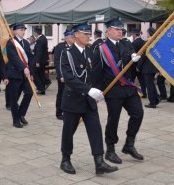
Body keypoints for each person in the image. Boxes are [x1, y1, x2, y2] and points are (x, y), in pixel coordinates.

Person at [60, 23, 118, 175]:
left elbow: (96, 74)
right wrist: (89, 89)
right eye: (85, 34)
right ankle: (65, 159)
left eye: (89, 34)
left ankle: (99, 162)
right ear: (76, 35)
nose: (89, 36)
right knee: (68, 131)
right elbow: (69, 78)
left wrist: (99, 89)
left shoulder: (90, 52)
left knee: (95, 130)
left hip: (89, 101)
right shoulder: (67, 53)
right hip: (73, 100)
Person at [92, 18, 144, 164]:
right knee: (113, 119)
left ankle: (129, 144)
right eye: (116, 29)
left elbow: (133, 62)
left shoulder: (126, 44)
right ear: (108, 31)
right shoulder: (101, 48)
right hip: (113, 90)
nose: (120, 31)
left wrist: (135, 59)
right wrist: (97, 90)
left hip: (128, 88)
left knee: (138, 113)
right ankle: (110, 150)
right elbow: (97, 71)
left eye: (121, 29)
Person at [6, 23, 34, 128]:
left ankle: (21, 114)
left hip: (26, 74)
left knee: (29, 93)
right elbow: (14, 58)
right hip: (15, 74)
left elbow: (30, 58)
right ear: (15, 31)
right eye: (21, 29)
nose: (23, 31)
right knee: (14, 98)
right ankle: (16, 120)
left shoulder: (26, 43)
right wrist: (23, 68)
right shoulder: (11, 43)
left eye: (24, 29)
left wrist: (30, 71)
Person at [54, 29, 75, 120]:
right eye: (71, 37)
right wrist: (61, 75)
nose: (73, 39)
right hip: (63, 75)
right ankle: (59, 112)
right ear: (66, 39)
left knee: (72, 94)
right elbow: (58, 62)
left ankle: (70, 111)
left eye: (73, 37)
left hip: (73, 75)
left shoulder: (75, 46)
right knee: (62, 94)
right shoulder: (60, 47)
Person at [137, 27, 160, 108]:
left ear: (150, 33)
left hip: (147, 68)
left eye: (147, 33)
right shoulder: (156, 42)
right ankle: (156, 98)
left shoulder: (148, 42)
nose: (146, 34)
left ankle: (152, 102)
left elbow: (143, 56)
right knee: (152, 84)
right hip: (153, 67)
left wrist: (138, 66)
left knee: (149, 85)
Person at [130, 29, 147, 98]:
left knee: (130, 79)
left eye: (132, 35)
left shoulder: (134, 43)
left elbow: (132, 55)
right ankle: (144, 93)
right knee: (142, 80)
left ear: (134, 35)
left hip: (135, 65)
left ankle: (130, 93)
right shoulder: (144, 42)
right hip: (142, 64)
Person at [33, 27, 49, 94]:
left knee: (35, 74)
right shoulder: (43, 38)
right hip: (43, 60)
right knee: (41, 75)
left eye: (34, 32)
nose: (33, 33)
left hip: (40, 61)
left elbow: (39, 51)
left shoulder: (39, 40)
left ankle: (40, 88)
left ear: (36, 33)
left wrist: (37, 61)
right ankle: (42, 89)